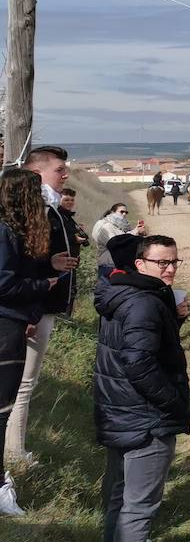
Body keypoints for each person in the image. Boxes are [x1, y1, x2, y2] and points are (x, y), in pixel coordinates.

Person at [95, 234, 190, 542]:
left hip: (119, 412)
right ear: (140, 264)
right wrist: (173, 403)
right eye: (161, 263)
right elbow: (138, 363)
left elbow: (134, 347)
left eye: (174, 262)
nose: (169, 270)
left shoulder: (120, 293)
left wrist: (174, 321)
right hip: (146, 418)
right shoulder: (145, 302)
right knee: (138, 509)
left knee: (119, 501)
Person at [7, 147, 79, 468]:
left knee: (24, 383)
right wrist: (38, 293)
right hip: (31, 306)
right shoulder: (31, 211)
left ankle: (14, 450)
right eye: (59, 170)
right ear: (36, 175)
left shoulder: (51, 207)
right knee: (22, 383)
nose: (65, 175)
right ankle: (14, 454)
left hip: (38, 304)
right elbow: (18, 267)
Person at [0, 168, 62, 516]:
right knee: (2, 407)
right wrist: (42, 287)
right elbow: (4, 283)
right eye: (36, 193)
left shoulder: (11, 231)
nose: (42, 200)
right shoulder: (5, 231)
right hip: (5, 325)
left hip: (13, 321)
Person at [92, 204, 137, 283]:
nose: (124, 214)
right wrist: (134, 233)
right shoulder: (106, 226)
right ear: (112, 212)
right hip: (109, 265)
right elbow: (115, 243)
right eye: (121, 212)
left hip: (116, 264)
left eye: (126, 212)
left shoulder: (117, 225)